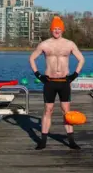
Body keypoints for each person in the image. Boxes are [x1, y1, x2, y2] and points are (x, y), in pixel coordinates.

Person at [29, 16, 85, 150]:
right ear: (51, 30)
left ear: (62, 30)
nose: (57, 31)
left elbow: (81, 59)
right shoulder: (45, 44)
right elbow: (31, 58)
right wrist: (38, 75)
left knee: (66, 111)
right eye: (55, 28)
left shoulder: (69, 44)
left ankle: (71, 141)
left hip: (64, 82)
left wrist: (74, 75)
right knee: (48, 110)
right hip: (49, 82)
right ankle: (42, 141)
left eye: (59, 28)